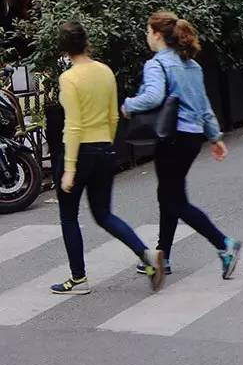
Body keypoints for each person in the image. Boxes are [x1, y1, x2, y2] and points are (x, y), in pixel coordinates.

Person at [122, 12, 242, 279]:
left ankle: (224, 244)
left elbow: (152, 96)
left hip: (173, 137)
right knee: (170, 196)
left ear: (157, 35)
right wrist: (215, 137)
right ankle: (162, 256)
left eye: (147, 31)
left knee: (174, 200)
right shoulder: (191, 65)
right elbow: (204, 105)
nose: (146, 37)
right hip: (192, 138)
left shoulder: (157, 64)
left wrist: (128, 105)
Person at [51, 22, 164, 295]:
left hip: (78, 152)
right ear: (86, 42)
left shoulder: (69, 78)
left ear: (64, 49)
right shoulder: (104, 72)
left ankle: (78, 279)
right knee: (103, 214)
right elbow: (113, 115)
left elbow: (74, 125)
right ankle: (146, 255)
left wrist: (69, 169)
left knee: (68, 215)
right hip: (104, 148)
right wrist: (108, 145)